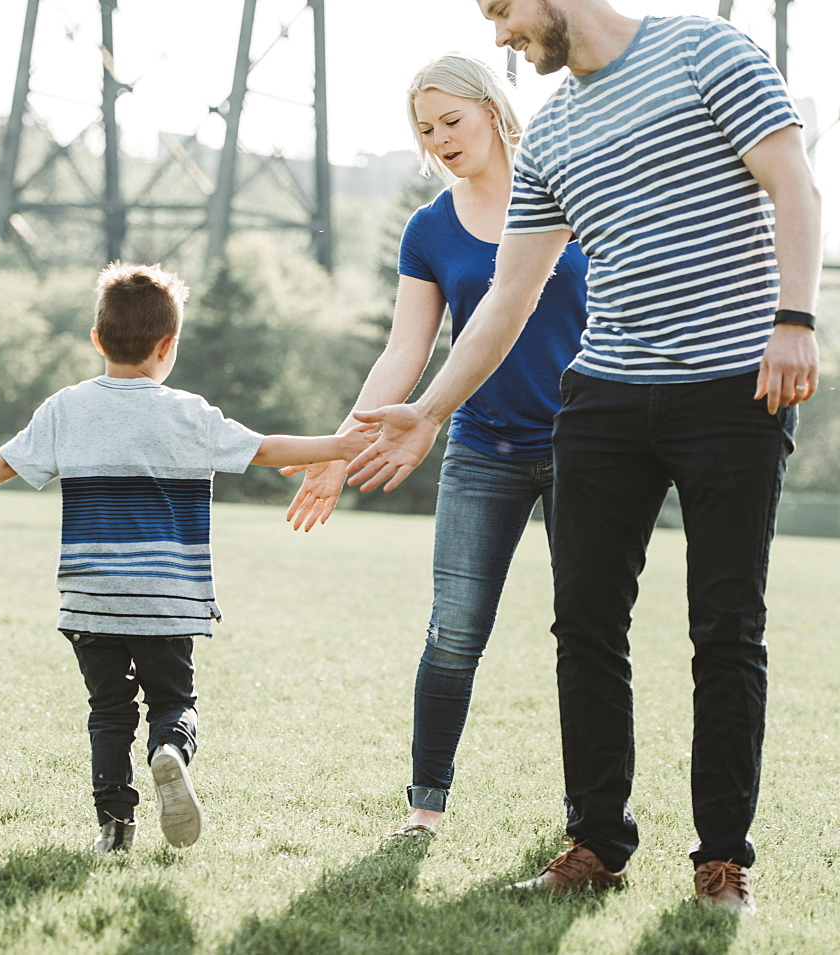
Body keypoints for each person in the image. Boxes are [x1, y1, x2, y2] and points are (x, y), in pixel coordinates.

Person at [346, 0, 821, 913]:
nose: (499, 36)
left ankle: (722, 858)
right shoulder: (557, 129)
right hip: (601, 397)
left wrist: (793, 319)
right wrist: (431, 412)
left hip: (732, 386)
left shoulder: (704, 47)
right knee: (585, 627)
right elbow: (509, 297)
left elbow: (793, 183)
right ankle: (597, 842)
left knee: (726, 628)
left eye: (503, 11)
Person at [0, 261, 374, 855]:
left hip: (91, 600)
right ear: (169, 346)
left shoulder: (65, 410)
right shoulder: (189, 413)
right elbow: (266, 449)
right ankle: (169, 749)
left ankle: (114, 827)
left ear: (96, 340)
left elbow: (0, 464)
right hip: (168, 601)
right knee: (174, 703)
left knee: (108, 711)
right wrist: (338, 445)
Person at [283, 53, 588, 837]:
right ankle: (425, 806)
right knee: (453, 632)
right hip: (483, 449)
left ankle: (588, 819)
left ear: (493, 108)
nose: (441, 138)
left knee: (588, 634)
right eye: (426, 129)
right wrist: (337, 448)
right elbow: (403, 352)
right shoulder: (431, 229)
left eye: (452, 119)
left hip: (589, 448)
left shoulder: (574, 193)